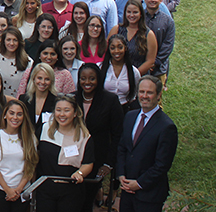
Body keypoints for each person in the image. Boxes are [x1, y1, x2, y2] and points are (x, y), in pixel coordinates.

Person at [116, 76, 178, 212]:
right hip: (127, 190)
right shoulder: (130, 117)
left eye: (149, 92)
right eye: (141, 91)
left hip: (149, 195)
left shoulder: (166, 127)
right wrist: (121, 175)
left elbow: (162, 165)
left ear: (158, 95)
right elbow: (122, 148)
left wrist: (138, 184)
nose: (144, 96)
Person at [75, 64, 124, 212]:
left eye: (92, 78)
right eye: (83, 79)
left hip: (97, 158)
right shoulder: (72, 99)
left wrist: (109, 163)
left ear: (99, 79)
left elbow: (118, 134)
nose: (87, 82)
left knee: (87, 198)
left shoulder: (110, 100)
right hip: (73, 157)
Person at [35, 95, 94, 212]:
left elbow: (88, 163)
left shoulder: (84, 137)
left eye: (66, 110)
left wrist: (80, 173)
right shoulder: (44, 129)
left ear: (75, 113)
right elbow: (33, 153)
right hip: (45, 189)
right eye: (58, 110)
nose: (62, 114)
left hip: (71, 191)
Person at [0, 100, 38, 212]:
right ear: (5, 115)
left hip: (22, 190)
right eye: (12, 113)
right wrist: (7, 189)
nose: (15, 117)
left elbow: (31, 165)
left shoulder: (30, 138)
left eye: (19, 114)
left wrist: (18, 190)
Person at [109, 0, 158, 76]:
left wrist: (133, 75)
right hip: (116, 75)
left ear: (141, 14)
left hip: (138, 76)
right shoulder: (116, 29)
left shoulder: (149, 34)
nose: (131, 15)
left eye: (135, 12)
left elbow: (150, 61)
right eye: (129, 12)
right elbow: (107, 51)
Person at [101, 34, 141, 111]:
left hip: (125, 109)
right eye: (113, 48)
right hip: (105, 108)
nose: (116, 51)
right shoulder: (101, 68)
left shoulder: (134, 72)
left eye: (120, 47)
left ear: (125, 48)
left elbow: (135, 94)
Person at [0, 27, 33, 98]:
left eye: (15, 40)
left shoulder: (28, 61)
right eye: (8, 40)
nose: (11, 43)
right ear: (3, 41)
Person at [19, 62, 57, 138]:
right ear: (33, 78)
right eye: (39, 78)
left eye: (47, 79)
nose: (42, 82)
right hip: (26, 141)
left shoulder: (56, 101)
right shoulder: (23, 99)